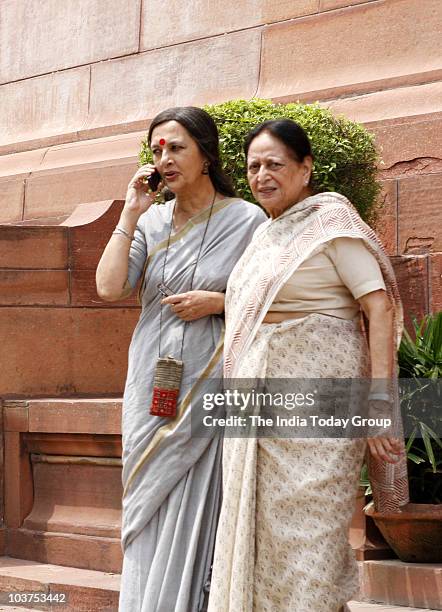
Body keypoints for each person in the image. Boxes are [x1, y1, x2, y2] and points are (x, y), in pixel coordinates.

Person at [207, 120, 409, 612]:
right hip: (262, 409)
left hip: (322, 408)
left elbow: (379, 307)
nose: (262, 175)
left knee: (312, 534)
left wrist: (380, 400)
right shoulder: (267, 235)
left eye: (275, 164)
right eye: (253, 166)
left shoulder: (330, 224)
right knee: (268, 539)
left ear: (305, 168)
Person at [96, 106, 266, 612]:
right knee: (144, 500)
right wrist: (129, 211)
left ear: (206, 154)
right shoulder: (150, 219)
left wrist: (218, 303)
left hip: (210, 382)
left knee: (198, 499)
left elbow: (273, 298)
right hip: (151, 379)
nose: (164, 159)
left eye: (176, 148)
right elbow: (109, 287)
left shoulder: (246, 219)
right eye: (156, 150)